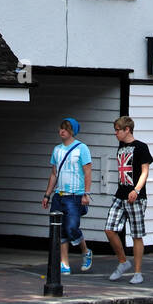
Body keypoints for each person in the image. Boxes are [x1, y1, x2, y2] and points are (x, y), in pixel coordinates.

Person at [41, 117, 93, 275]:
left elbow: (87, 171)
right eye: (60, 128)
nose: (61, 131)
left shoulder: (81, 148)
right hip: (59, 194)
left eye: (65, 129)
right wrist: (47, 194)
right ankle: (64, 262)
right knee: (60, 229)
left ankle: (85, 251)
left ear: (72, 131)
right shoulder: (57, 150)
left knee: (71, 227)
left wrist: (86, 193)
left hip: (75, 195)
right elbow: (54, 174)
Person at [105, 116, 152, 285]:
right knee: (110, 229)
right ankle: (123, 262)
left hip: (136, 196)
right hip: (120, 193)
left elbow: (145, 171)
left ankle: (138, 272)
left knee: (136, 234)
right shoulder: (121, 146)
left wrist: (137, 190)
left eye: (118, 130)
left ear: (127, 130)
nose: (116, 133)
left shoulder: (141, 147)